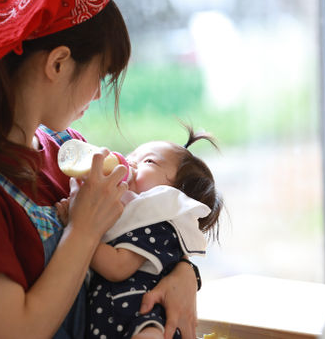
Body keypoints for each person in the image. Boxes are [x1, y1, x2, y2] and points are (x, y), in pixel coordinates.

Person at [0, 0, 200, 339]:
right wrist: (82, 231)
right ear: (59, 63)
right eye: (101, 75)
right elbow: (13, 333)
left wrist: (184, 272)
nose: (96, 94)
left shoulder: (68, 148)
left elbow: (139, 226)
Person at [55, 126, 222, 339]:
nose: (130, 162)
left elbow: (117, 267)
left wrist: (77, 225)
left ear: (174, 193)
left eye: (149, 161)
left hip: (143, 316)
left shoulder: (158, 223)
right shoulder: (129, 214)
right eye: (130, 155)